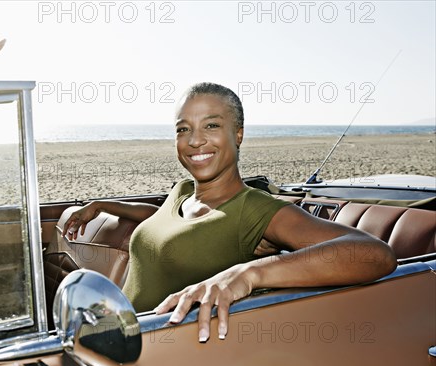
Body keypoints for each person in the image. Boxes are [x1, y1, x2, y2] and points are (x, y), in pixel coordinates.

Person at [63, 82, 397, 343]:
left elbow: (373, 254)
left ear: (238, 134)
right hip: (117, 340)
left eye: (211, 126)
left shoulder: (255, 210)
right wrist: (103, 206)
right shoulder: (182, 192)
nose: (195, 140)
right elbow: (158, 219)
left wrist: (250, 273)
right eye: (183, 129)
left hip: (169, 356)